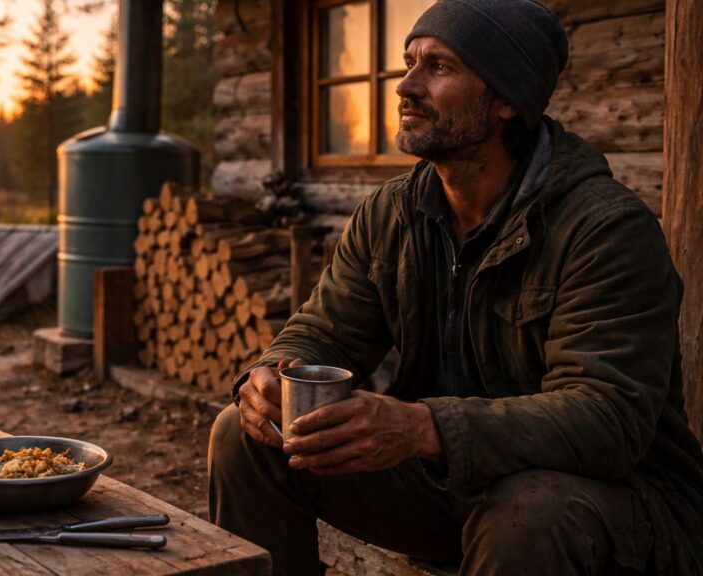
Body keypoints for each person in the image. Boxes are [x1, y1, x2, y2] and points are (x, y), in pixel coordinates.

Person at [207, 0, 703, 574]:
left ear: (506, 102)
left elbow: (606, 419)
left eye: (439, 67)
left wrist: (422, 427)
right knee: (244, 440)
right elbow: (325, 329)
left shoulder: (603, 230)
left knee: (526, 511)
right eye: (408, 61)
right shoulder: (394, 212)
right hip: (452, 489)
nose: (406, 86)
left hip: (613, 507)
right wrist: (275, 374)